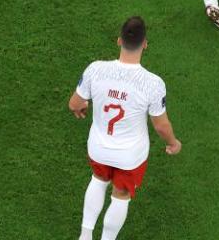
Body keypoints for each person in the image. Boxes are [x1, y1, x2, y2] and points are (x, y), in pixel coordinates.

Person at [68, 16, 181, 240]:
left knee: (98, 180)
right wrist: (173, 143)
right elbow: (160, 126)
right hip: (130, 156)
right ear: (145, 44)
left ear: (119, 41)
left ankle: (85, 235)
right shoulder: (153, 83)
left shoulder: (96, 69)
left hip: (98, 148)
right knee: (121, 195)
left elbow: (74, 103)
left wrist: (80, 108)